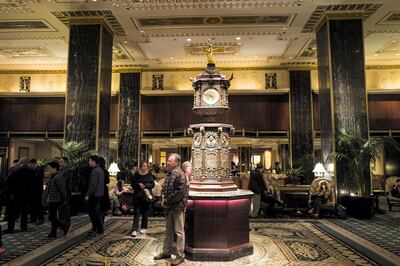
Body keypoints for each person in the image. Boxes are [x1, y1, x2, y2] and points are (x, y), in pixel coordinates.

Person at [154, 153, 188, 266]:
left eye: (170, 161)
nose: (168, 162)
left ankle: (180, 256)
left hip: (178, 207)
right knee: (168, 231)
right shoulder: (169, 173)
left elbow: (179, 193)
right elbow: (164, 188)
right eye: (168, 160)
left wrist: (166, 201)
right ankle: (166, 252)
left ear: (177, 162)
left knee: (179, 232)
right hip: (169, 207)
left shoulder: (181, 174)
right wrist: (163, 198)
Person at [4, 158, 33, 234]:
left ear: (20, 163)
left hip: (15, 195)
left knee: (12, 213)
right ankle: (23, 227)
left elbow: (7, 182)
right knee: (24, 212)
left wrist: (9, 193)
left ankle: (10, 228)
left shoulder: (14, 171)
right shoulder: (31, 171)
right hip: (26, 195)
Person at [130, 162, 155, 237]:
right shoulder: (137, 174)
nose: (145, 167)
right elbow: (132, 184)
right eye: (144, 166)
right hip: (137, 196)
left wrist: (146, 185)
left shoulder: (149, 175)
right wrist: (138, 184)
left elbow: (152, 184)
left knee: (145, 213)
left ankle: (144, 227)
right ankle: (134, 229)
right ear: (141, 166)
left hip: (146, 196)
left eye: (146, 166)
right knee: (136, 213)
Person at [46, 161, 70, 238]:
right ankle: (53, 232)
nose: (48, 170)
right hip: (53, 199)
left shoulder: (58, 177)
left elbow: (62, 189)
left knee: (52, 217)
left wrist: (64, 199)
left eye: (49, 168)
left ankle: (64, 225)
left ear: (55, 168)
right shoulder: (53, 176)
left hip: (56, 200)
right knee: (52, 216)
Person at [85, 155, 105, 234]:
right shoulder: (100, 170)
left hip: (94, 194)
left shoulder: (94, 171)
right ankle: (99, 229)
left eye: (90, 160)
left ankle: (97, 228)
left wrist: (87, 194)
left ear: (94, 161)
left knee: (94, 213)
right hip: (100, 194)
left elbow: (93, 185)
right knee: (97, 212)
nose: (89, 162)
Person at [28, 159, 45, 225]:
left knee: (38, 205)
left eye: (30, 165)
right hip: (33, 191)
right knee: (32, 205)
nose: (29, 166)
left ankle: (40, 219)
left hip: (37, 190)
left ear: (33, 163)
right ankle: (33, 219)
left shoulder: (39, 169)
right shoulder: (34, 170)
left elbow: (36, 179)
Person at [99, 157, 111, 222]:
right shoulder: (105, 170)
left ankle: (98, 225)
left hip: (99, 191)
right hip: (104, 190)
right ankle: (101, 223)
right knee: (103, 209)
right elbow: (107, 181)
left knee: (99, 209)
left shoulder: (97, 170)